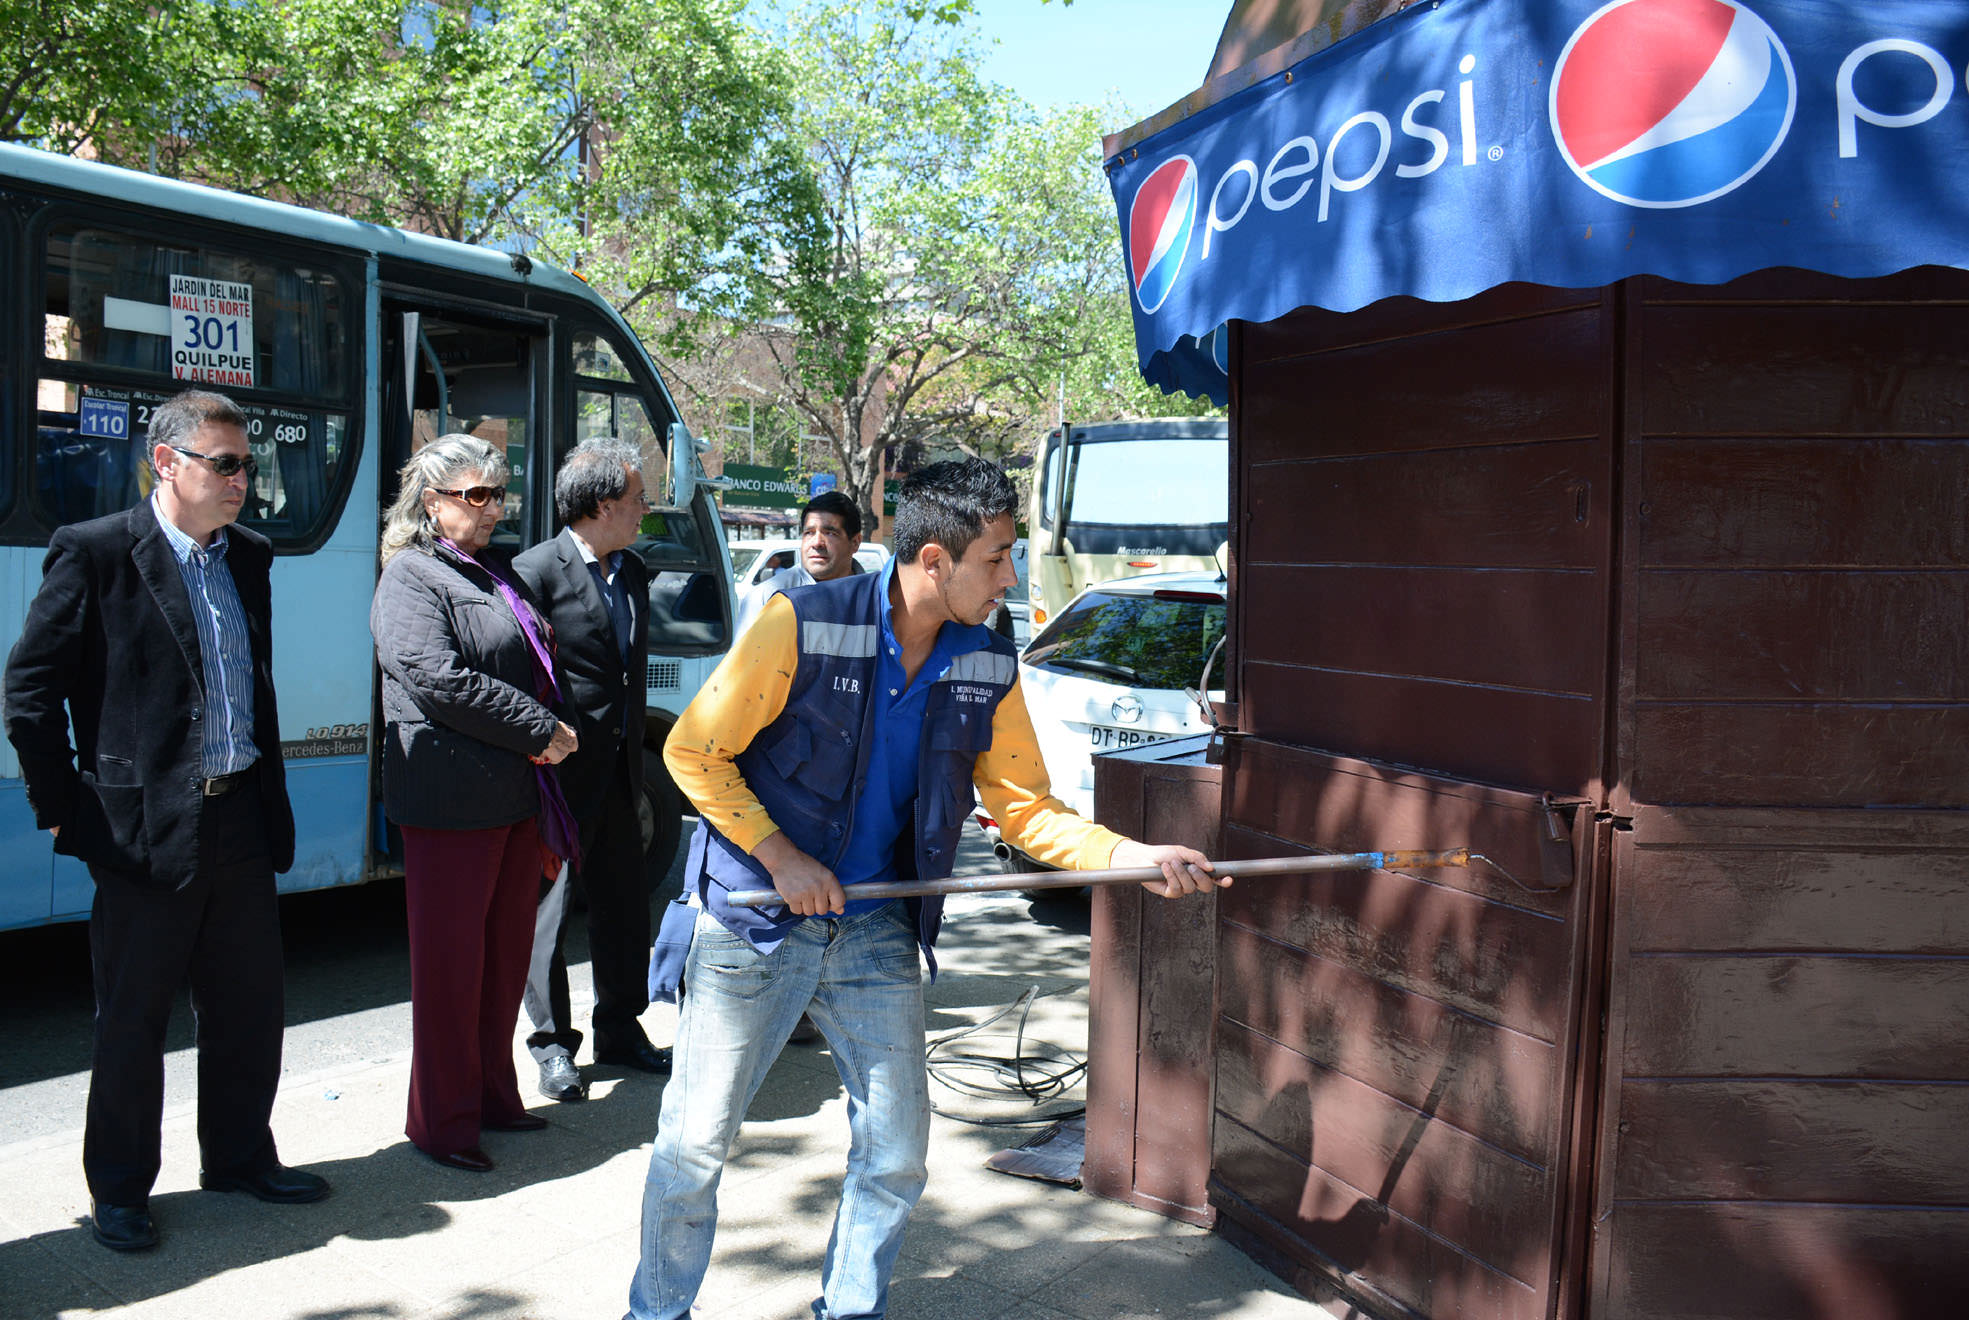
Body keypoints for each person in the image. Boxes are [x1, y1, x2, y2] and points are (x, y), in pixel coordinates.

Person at [626, 458, 1222, 1320]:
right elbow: (691, 750)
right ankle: (655, 1312)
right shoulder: (801, 617)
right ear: (934, 560)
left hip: (875, 927)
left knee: (897, 1154)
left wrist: (1128, 855)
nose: (1011, 576)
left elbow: (1021, 805)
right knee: (692, 1146)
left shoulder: (987, 653)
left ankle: (849, 1308)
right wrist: (780, 855)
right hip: (752, 922)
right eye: (999, 557)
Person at [3, 389, 327, 1252]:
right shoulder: (98, 552)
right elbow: (29, 693)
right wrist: (65, 810)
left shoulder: (247, 556)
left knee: (249, 1009)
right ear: (167, 462)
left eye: (247, 466)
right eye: (224, 465)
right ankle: (118, 1189)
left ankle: (238, 1157)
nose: (241, 482)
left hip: (241, 819)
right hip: (142, 835)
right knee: (132, 1022)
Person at [370, 434, 580, 1173]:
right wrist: (537, 727)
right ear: (432, 502)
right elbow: (435, 677)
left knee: (501, 961)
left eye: (499, 494)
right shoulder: (411, 577)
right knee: (451, 970)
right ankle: (443, 1124)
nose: (494, 509)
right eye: (476, 495)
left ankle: (494, 1098)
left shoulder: (489, 568)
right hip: (450, 800)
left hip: (515, 796)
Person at [513, 438, 668, 1103]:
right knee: (547, 915)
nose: (645, 510)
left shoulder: (632, 570)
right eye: (637, 499)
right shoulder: (533, 572)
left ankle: (621, 1026)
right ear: (601, 503)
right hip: (558, 775)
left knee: (625, 905)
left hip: (619, 773)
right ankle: (552, 1047)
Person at [731, 490, 866, 637]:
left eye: (830, 533)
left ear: (855, 542)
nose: (817, 543)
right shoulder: (766, 598)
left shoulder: (878, 601)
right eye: (809, 532)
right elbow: (745, 659)